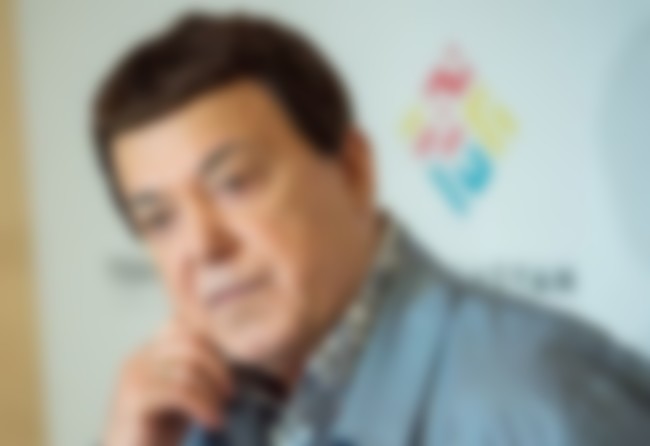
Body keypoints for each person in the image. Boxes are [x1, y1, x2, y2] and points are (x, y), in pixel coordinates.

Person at [92, 13, 650, 446]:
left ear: (353, 170)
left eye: (233, 183)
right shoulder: (181, 423)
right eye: (159, 219)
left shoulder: (542, 403)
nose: (202, 246)